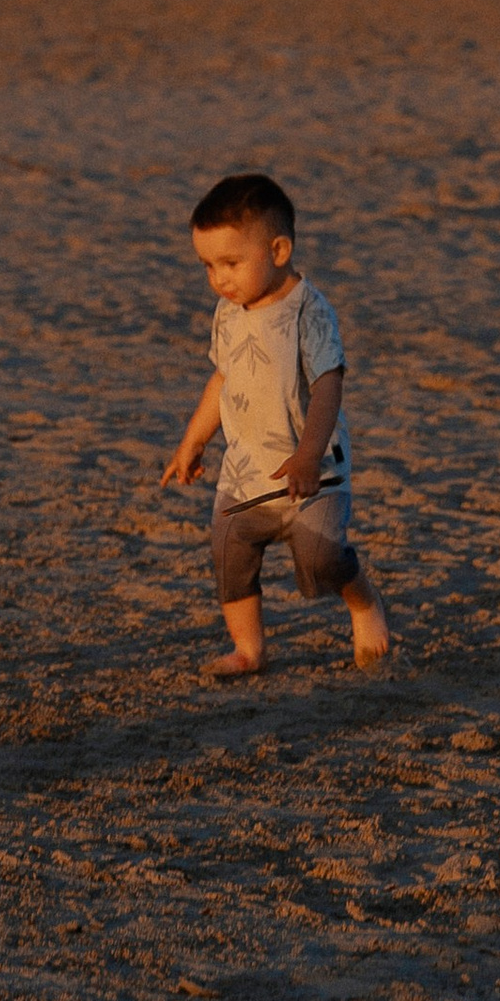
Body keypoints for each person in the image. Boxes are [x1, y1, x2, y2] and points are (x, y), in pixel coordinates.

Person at [160, 169, 390, 680]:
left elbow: (329, 385)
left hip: (313, 471)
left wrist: (308, 455)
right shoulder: (229, 311)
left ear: (279, 249)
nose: (219, 278)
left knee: (322, 556)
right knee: (229, 550)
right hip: (246, 471)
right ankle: (249, 650)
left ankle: (363, 602)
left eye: (231, 263)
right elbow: (221, 380)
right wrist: (192, 442)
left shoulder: (309, 311)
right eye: (208, 266)